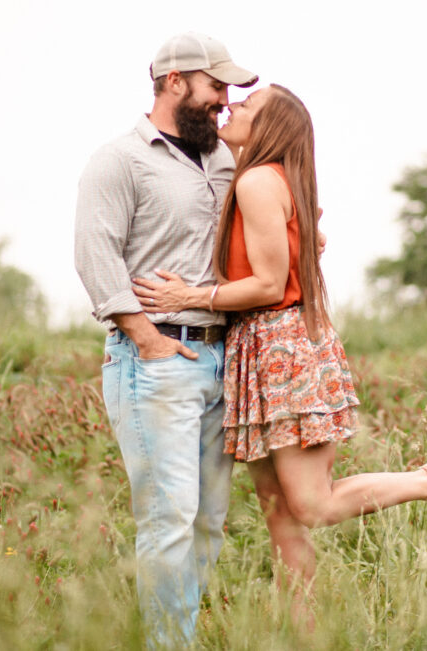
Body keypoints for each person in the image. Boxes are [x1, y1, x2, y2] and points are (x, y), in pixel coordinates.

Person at [131, 83, 427, 624]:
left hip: (280, 350)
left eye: (247, 106)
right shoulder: (272, 179)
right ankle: (306, 634)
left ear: (270, 127)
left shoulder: (255, 181)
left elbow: (271, 285)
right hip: (259, 351)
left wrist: (189, 296)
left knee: (312, 505)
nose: (232, 106)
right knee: (281, 517)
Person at [74, 32, 257, 645]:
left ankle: (174, 638)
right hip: (155, 360)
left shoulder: (227, 160)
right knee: (169, 518)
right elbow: (93, 252)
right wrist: (145, 337)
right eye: (215, 86)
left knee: (207, 522)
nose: (224, 100)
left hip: (219, 356)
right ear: (174, 80)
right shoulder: (120, 159)